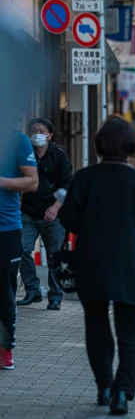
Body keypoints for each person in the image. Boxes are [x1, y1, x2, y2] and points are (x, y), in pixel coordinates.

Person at [59, 117, 135, 415]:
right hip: (132, 262)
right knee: (131, 330)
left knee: (97, 325)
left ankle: (104, 386)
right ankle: (122, 394)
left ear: (100, 144)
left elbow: (68, 219)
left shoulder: (86, 177)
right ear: (131, 145)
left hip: (92, 261)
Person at [17, 118, 73, 311]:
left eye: (42, 131)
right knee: (21, 248)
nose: (37, 134)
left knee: (54, 256)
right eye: (33, 130)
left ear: (50, 135)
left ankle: (55, 296)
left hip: (53, 214)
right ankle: (32, 290)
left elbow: (68, 184)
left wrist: (56, 207)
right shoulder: (24, 154)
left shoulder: (59, 157)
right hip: (28, 213)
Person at [0, 130, 38, 370]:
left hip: (5, 229)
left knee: (4, 291)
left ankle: (5, 349)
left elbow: (32, 182)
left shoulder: (16, 139)